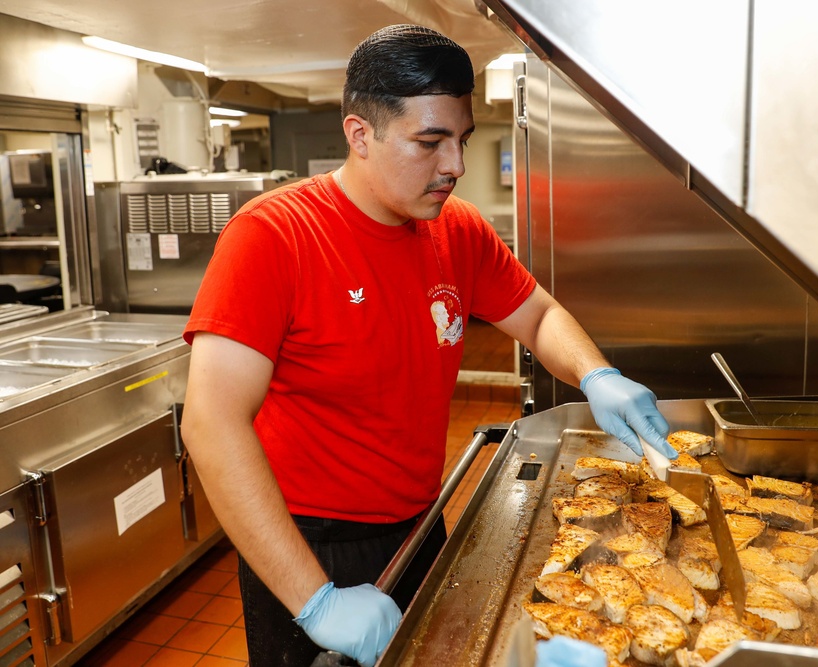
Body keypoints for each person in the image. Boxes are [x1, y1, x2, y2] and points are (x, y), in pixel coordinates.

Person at [180, 24, 676, 667]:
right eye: (430, 141)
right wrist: (316, 601)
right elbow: (212, 423)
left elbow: (538, 314)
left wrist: (596, 375)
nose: (456, 166)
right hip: (306, 545)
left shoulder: (458, 230)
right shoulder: (274, 237)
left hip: (420, 524)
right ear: (361, 135)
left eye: (462, 139)